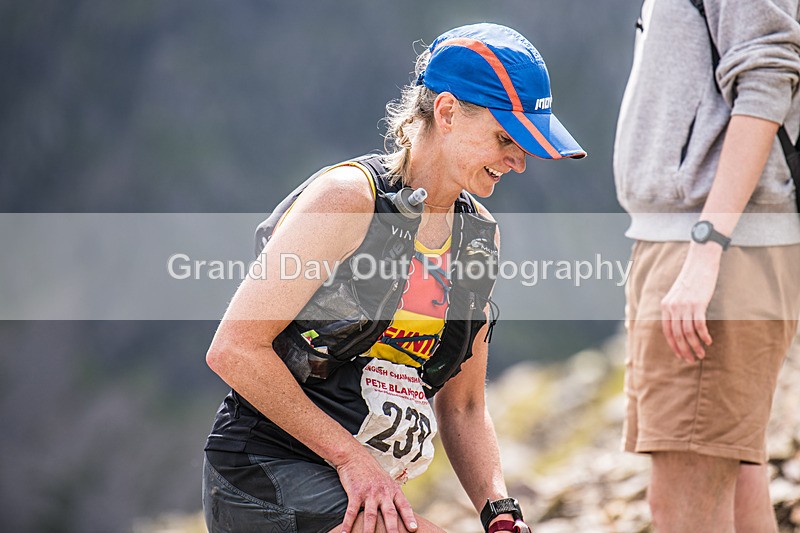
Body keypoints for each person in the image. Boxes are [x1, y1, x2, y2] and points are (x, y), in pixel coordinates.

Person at [202, 23, 585, 533]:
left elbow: (465, 406)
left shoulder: (479, 237)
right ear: (446, 112)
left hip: (360, 485)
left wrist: (499, 511)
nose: (518, 161)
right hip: (263, 477)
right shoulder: (348, 199)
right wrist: (349, 459)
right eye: (504, 138)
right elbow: (234, 349)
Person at [614, 1, 800, 531]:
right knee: (737, 487)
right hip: (696, 243)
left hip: (713, 246)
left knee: (684, 510)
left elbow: (767, 72)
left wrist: (707, 245)